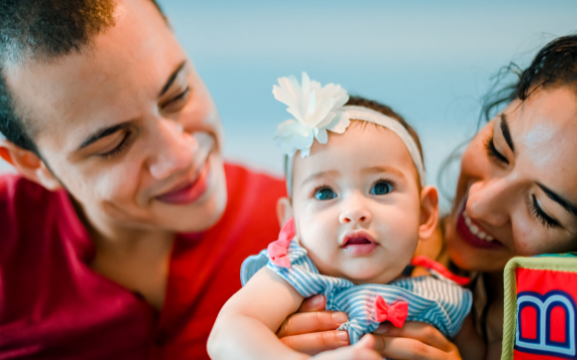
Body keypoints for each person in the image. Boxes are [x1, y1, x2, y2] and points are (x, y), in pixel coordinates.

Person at [0, 1, 463, 359]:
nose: (182, 156)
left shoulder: (341, 230)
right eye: (114, 143)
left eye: (178, 93)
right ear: (30, 162)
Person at [278, 28, 577, 360]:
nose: (477, 203)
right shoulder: (331, 260)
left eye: (542, 209)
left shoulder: (575, 337)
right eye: (497, 150)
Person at [208, 74, 475, 360]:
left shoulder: (445, 296)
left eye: (381, 187)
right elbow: (227, 333)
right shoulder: (299, 276)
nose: (354, 212)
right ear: (292, 221)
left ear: (424, 214)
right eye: (324, 193)